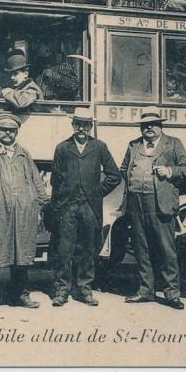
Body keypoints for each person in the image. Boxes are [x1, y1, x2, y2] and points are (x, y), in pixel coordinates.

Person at [0, 114, 48, 309]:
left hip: (23, 214)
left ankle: (20, 295)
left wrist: (38, 206)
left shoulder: (24, 154)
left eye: (11, 130)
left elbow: (37, 181)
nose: (7, 133)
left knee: (21, 256)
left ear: (16, 132)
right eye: (3, 129)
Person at [119, 107, 186, 309]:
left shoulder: (173, 144)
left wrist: (169, 171)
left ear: (161, 126)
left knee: (166, 249)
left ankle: (171, 293)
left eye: (153, 124)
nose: (149, 128)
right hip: (136, 202)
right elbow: (124, 169)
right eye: (145, 125)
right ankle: (145, 290)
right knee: (141, 248)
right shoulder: (133, 145)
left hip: (160, 203)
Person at [50, 107, 121, 307]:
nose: (82, 128)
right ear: (73, 125)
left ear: (91, 126)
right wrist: (57, 206)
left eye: (86, 124)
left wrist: (97, 192)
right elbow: (56, 179)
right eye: (78, 124)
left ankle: (84, 289)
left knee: (89, 249)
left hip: (91, 206)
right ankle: (62, 289)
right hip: (67, 207)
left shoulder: (99, 147)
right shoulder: (62, 148)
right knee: (64, 249)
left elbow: (114, 175)